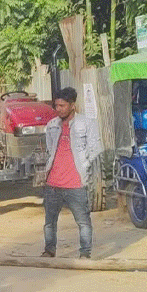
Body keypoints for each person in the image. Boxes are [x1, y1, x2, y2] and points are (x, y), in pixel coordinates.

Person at [42, 87, 98, 259]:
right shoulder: (51, 126)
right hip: (53, 183)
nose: (58, 109)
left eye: (62, 106)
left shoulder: (87, 123)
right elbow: (50, 150)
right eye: (56, 106)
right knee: (49, 222)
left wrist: (86, 169)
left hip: (76, 183)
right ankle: (49, 250)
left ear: (72, 105)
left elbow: (95, 149)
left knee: (83, 222)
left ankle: (85, 253)